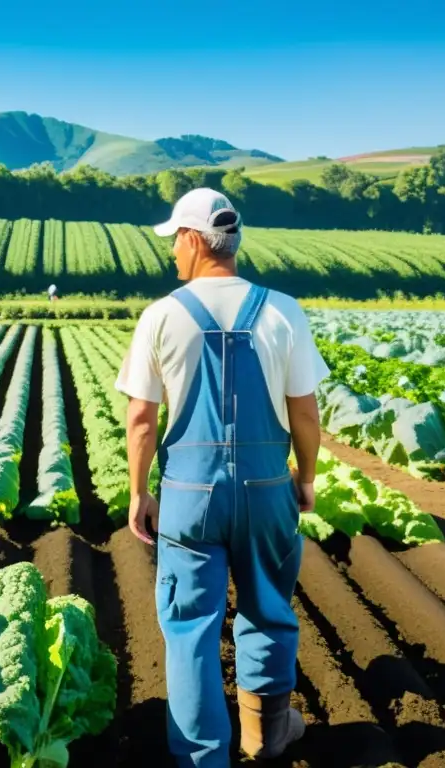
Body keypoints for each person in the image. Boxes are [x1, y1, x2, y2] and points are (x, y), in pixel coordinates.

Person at [115, 188, 329, 766]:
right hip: (267, 490)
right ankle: (266, 736)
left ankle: (204, 757)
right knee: (267, 609)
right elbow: (306, 412)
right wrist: (305, 477)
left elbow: (140, 418)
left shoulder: (161, 315)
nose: (172, 257)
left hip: (189, 494)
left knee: (190, 629)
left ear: (192, 239)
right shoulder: (284, 309)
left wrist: (140, 492)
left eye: (174, 243)